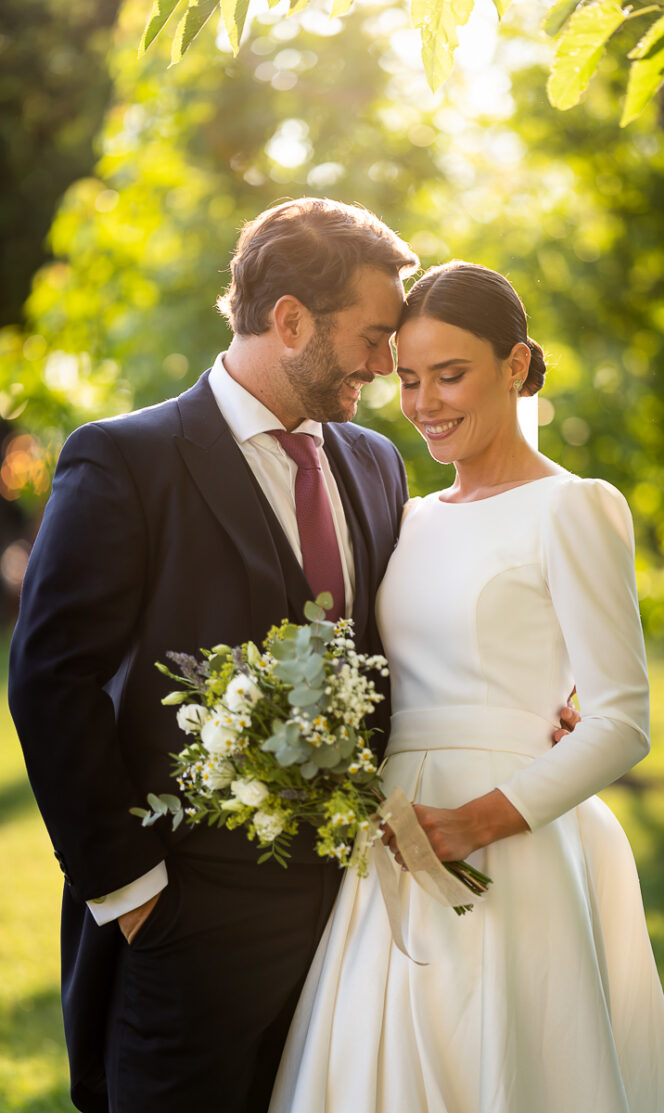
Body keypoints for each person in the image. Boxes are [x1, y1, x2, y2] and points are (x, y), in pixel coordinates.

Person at [8, 197, 420, 1113]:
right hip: (188, 920)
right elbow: (51, 683)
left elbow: (409, 644)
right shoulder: (125, 462)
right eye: (374, 334)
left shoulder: (377, 462)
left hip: (357, 919)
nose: (387, 365)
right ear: (289, 320)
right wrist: (136, 894)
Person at [268, 262, 664, 1113]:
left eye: (451, 375)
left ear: (516, 364)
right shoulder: (413, 516)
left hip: (511, 838)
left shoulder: (574, 507)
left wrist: (475, 822)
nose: (425, 404)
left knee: (503, 1063)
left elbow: (620, 718)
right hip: (394, 832)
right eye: (411, 379)